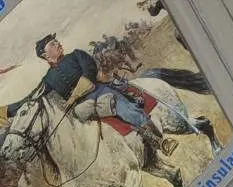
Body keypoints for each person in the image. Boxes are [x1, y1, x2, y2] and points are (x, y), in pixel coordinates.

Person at [0, 36, 174, 155]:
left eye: (56, 41)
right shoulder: (48, 79)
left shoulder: (77, 55)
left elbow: (89, 72)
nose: (57, 43)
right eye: (52, 43)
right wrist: (5, 111)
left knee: (122, 106)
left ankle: (159, 142)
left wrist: (73, 97)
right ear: (45, 55)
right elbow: (31, 99)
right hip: (81, 109)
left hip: (99, 92)